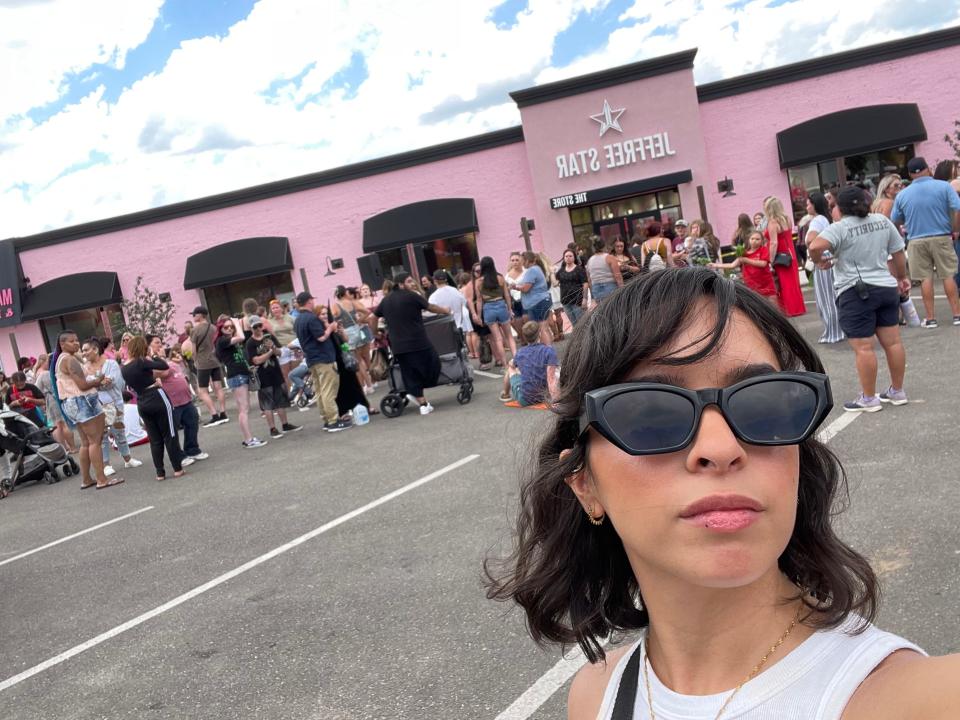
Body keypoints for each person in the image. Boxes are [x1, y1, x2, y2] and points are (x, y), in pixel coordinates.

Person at [484, 267, 956, 720]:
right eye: (650, 414)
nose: (720, 447)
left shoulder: (918, 697)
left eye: (764, 405)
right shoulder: (596, 694)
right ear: (584, 484)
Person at [809, 186, 910, 412]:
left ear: (841, 207)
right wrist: (902, 277)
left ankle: (869, 398)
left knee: (864, 347)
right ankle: (897, 391)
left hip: (856, 290)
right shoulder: (882, 221)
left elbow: (814, 245)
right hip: (885, 286)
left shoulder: (840, 227)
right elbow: (898, 252)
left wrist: (820, 260)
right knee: (893, 342)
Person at [891, 156, 960, 327]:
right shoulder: (943, 186)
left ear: (909, 174)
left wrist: (907, 223)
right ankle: (957, 314)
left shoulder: (903, 194)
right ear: (928, 168)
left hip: (916, 240)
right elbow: (958, 208)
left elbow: (895, 219)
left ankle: (930, 318)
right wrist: (955, 228)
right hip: (942, 235)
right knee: (948, 275)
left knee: (925, 278)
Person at [371, 273, 452, 415]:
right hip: (418, 341)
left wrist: (375, 333)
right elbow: (430, 307)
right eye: (409, 281)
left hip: (398, 346)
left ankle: (423, 404)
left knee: (410, 374)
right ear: (401, 284)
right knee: (433, 364)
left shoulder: (386, 300)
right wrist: (445, 310)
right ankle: (419, 395)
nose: (413, 283)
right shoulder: (412, 296)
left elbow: (372, 317)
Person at [53, 330, 124, 489]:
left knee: (85, 443)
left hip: (71, 403)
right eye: (72, 341)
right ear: (62, 344)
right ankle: (101, 479)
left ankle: (86, 479)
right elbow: (83, 385)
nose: (76, 343)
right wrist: (99, 380)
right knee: (95, 441)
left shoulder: (61, 359)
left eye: (77, 340)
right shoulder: (69, 360)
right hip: (83, 401)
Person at [121, 336, 191, 479]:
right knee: (170, 434)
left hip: (141, 400)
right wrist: (153, 355)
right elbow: (164, 366)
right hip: (157, 397)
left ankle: (160, 472)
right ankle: (177, 468)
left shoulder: (125, 367)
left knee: (155, 438)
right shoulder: (142, 361)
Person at [82, 337, 142, 477]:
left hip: (115, 403)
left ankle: (127, 458)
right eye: (82, 350)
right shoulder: (84, 368)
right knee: (101, 435)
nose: (83, 353)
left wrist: (97, 383)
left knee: (119, 431)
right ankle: (106, 464)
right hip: (96, 405)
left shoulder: (111, 363)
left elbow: (114, 383)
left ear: (95, 349)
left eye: (86, 350)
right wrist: (100, 382)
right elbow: (85, 386)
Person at [294, 291, 350, 432]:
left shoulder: (298, 320)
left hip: (311, 359)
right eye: (312, 300)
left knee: (319, 391)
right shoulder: (312, 318)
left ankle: (326, 419)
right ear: (308, 302)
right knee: (328, 390)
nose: (313, 302)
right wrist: (330, 328)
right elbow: (321, 338)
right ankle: (333, 421)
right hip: (323, 358)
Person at [215, 317, 267, 448]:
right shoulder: (222, 341)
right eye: (226, 327)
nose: (229, 329)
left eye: (231, 326)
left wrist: (248, 368)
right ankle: (249, 439)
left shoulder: (227, 341)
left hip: (240, 374)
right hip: (237, 376)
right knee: (243, 409)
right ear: (220, 329)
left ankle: (248, 438)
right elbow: (242, 337)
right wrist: (237, 324)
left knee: (244, 408)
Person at [245, 316, 300, 439]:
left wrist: (273, 348)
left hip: (275, 372)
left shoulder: (269, 337)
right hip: (263, 376)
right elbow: (256, 360)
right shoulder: (250, 343)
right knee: (267, 404)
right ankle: (272, 428)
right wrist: (270, 352)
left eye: (260, 326)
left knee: (280, 400)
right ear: (251, 328)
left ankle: (285, 424)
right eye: (255, 327)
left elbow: (281, 353)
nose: (259, 329)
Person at [154, 343, 209, 462]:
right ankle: (179, 456)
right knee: (172, 432)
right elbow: (163, 373)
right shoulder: (155, 364)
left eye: (160, 344)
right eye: (157, 343)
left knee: (192, 422)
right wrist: (159, 358)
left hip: (185, 400)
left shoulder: (171, 361)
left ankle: (192, 450)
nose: (160, 347)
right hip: (173, 403)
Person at [804, 192, 845, 344]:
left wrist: (811, 251)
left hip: (821, 257)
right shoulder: (824, 219)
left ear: (815, 205)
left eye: (808, 203)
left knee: (826, 297)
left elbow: (809, 239)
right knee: (831, 295)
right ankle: (837, 329)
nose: (806, 206)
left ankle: (833, 332)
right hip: (826, 254)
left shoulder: (817, 220)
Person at [764, 196, 807, 316]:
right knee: (793, 283)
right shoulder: (787, 219)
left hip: (780, 255)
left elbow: (773, 242)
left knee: (784, 284)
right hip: (790, 254)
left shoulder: (773, 222)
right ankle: (797, 308)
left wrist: (770, 260)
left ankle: (788, 310)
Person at [499, 321, 559, 405]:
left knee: (511, 368)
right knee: (555, 370)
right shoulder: (549, 351)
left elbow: (512, 365)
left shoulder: (520, 352)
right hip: (545, 396)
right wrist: (555, 400)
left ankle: (505, 394)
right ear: (539, 334)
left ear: (525, 337)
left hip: (526, 399)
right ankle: (553, 395)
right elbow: (551, 378)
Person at [474, 256, 517, 368]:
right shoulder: (500, 278)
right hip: (501, 305)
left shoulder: (478, 281)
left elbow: (479, 300)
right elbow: (506, 295)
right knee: (509, 336)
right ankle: (517, 360)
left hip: (488, 307)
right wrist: (509, 309)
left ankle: (505, 365)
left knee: (497, 338)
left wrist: (479, 316)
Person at [188, 307, 229, 427]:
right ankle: (223, 413)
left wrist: (194, 361)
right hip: (215, 360)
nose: (193, 316)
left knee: (203, 391)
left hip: (203, 362)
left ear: (200, 315)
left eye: (194, 314)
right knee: (218, 388)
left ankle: (214, 415)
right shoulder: (214, 328)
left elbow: (194, 349)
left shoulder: (195, 330)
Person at [709, 230, 777, 301]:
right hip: (752, 284)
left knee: (771, 303)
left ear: (762, 241)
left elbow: (763, 264)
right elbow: (732, 265)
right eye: (752, 239)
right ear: (748, 240)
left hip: (765, 282)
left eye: (757, 239)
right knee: (757, 303)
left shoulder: (763, 250)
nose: (754, 241)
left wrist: (745, 260)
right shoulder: (743, 253)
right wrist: (715, 265)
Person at [33, 354, 79, 453]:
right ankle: (72, 447)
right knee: (63, 423)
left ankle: (64, 448)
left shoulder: (38, 373)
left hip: (50, 400)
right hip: (56, 399)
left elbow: (37, 389)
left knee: (57, 425)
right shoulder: (46, 374)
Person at [332, 286, 375, 394]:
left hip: (346, 335)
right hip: (357, 331)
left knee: (354, 361)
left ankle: (364, 386)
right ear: (344, 293)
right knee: (361, 359)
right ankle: (370, 384)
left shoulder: (335, 306)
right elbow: (367, 311)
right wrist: (358, 321)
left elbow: (332, 320)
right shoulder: (352, 302)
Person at [515, 251, 555, 346]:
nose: (521, 263)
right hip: (542, 300)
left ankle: (547, 350)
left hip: (537, 302)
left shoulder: (531, 270)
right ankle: (549, 350)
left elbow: (526, 288)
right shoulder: (537, 268)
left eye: (522, 261)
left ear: (527, 260)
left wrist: (515, 287)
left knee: (541, 328)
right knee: (544, 327)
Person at [267, 299, 298, 388]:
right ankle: (292, 395)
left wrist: (299, 346)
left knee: (296, 372)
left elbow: (297, 331)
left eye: (277, 307)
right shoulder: (269, 322)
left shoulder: (291, 318)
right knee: (286, 374)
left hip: (294, 346)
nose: (275, 310)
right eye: (273, 308)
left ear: (281, 308)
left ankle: (301, 395)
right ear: (271, 311)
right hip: (280, 349)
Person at [556, 248, 589, 326]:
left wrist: (585, 298)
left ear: (574, 257)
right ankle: (578, 338)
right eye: (566, 256)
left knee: (582, 324)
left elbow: (585, 284)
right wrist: (550, 272)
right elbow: (555, 283)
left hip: (577, 300)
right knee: (574, 324)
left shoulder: (579, 269)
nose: (568, 258)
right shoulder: (561, 271)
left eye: (570, 256)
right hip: (565, 301)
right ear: (564, 258)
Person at [587, 237, 625, 302]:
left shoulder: (590, 260)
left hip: (596, 288)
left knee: (602, 311)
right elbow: (617, 275)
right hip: (610, 286)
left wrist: (592, 295)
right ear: (604, 246)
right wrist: (622, 289)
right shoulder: (609, 257)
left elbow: (589, 279)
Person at [504, 252, 528, 347]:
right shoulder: (507, 275)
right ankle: (523, 341)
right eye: (512, 260)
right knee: (517, 323)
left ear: (521, 260)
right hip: (514, 301)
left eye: (517, 260)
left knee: (526, 320)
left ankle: (531, 341)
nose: (515, 262)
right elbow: (506, 291)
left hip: (525, 299)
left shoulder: (526, 272)